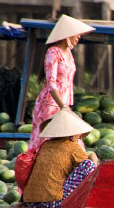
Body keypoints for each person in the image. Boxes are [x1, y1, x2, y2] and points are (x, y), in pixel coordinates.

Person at [28, 14, 95, 152]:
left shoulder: (68, 53)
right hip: (50, 104)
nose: (79, 37)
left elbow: (68, 83)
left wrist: (66, 106)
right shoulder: (53, 52)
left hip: (64, 105)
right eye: (76, 34)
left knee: (74, 141)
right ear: (67, 35)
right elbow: (51, 83)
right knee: (45, 142)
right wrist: (62, 106)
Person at [21, 110, 99, 208]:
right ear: (71, 133)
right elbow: (89, 168)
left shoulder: (45, 145)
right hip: (54, 203)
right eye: (79, 133)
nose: (80, 137)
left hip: (33, 202)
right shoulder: (73, 146)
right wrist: (94, 158)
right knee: (88, 165)